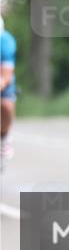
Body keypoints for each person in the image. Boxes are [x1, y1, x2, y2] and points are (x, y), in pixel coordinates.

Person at [0, 15, 17, 161]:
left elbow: (6, 76)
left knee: (6, 105)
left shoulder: (6, 42)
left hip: (2, 80)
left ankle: (4, 136)